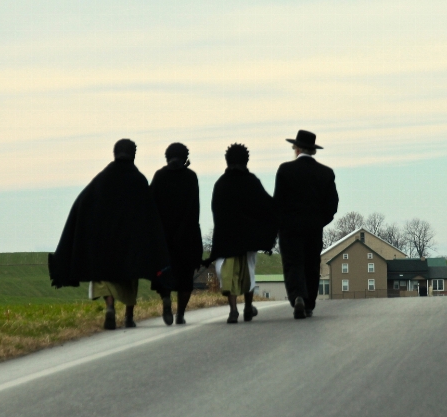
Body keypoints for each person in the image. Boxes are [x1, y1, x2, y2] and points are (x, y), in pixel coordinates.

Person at [48, 139, 169, 330]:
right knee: (130, 276)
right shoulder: (138, 180)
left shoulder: (102, 179)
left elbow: (82, 204)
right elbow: (149, 214)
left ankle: (110, 307)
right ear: (133, 154)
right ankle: (129, 317)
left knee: (104, 277)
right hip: (130, 242)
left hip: (104, 243)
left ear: (115, 154)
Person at [208, 143, 278, 323]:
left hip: (227, 238)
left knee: (228, 275)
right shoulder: (252, 182)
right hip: (248, 238)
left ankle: (233, 310)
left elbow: (216, 210)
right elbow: (266, 206)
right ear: (246, 160)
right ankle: (248, 306)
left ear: (227, 160)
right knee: (249, 272)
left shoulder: (221, 184)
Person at [274, 130, 338, 319]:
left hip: (290, 227)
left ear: (297, 149)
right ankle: (309, 303)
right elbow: (332, 205)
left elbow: (278, 201)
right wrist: (320, 221)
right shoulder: (326, 173)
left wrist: (280, 223)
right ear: (314, 151)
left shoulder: (285, 170)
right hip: (313, 227)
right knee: (311, 264)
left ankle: (298, 297)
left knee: (293, 264)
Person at [150, 142, 203, 325]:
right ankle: (180, 313)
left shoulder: (159, 176)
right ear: (185, 157)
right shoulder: (190, 177)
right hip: (186, 237)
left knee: (164, 273)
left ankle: (166, 299)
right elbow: (194, 210)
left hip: (163, 238)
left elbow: (151, 206)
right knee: (185, 278)